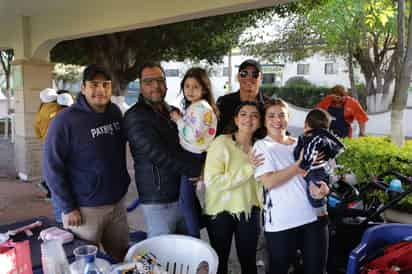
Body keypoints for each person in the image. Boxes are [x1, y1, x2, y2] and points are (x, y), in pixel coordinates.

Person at [43, 64, 130, 261]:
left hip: (117, 205)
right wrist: (68, 207)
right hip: (84, 210)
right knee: (85, 264)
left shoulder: (115, 112)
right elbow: (51, 167)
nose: (100, 90)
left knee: (122, 258)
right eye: (94, 84)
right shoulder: (64, 121)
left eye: (106, 85)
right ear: (83, 88)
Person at [124, 62, 203, 238]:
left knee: (189, 252)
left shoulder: (173, 112)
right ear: (140, 86)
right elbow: (159, 154)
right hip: (158, 201)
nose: (155, 86)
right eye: (149, 81)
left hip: (183, 194)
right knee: (163, 255)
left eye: (160, 80)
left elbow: (191, 143)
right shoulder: (135, 116)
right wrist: (197, 169)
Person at [253, 99, 329, 274]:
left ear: (289, 118)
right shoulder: (262, 146)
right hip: (282, 223)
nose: (277, 120)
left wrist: (324, 188)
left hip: (314, 219)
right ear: (264, 121)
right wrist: (299, 164)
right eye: (271, 116)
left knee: (316, 270)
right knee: (279, 269)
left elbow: (321, 173)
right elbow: (269, 181)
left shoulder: (302, 142)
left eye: (282, 115)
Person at [203, 101, 262, 274]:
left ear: (259, 122)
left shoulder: (261, 147)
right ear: (236, 119)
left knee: (249, 261)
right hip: (221, 211)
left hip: (250, 210)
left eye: (254, 115)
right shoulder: (222, 142)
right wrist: (248, 168)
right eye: (243, 114)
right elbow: (212, 181)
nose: (248, 119)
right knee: (219, 261)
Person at [169, 67, 218, 238]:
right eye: (187, 86)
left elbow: (193, 134)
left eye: (195, 87)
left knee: (185, 203)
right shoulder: (196, 106)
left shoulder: (202, 109)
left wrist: (178, 120)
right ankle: (195, 232)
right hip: (192, 155)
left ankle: (194, 237)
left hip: (192, 156)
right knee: (187, 201)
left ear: (204, 89)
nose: (190, 90)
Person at [293, 108, 345, 216]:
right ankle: (322, 211)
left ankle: (321, 214)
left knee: (315, 194)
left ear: (306, 123)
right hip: (322, 170)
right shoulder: (323, 137)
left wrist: (304, 167)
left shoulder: (313, 138)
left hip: (315, 172)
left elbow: (310, 153)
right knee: (318, 192)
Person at [34, 88, 73, 224]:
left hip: (47, 143)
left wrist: (42, 137)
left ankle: (59, 219)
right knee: (62, 179)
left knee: (53, 174)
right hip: (64, 148)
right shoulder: (62, 112)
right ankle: (61, 217)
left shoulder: (41, 110)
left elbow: (37, 129)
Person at [216, 59, 268, 134]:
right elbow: (215, 132)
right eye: (244, 74)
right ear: (238, 77)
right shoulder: (224, 102)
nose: (249, 78)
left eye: (255, 74)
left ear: (261, 78)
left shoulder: (269, 105)